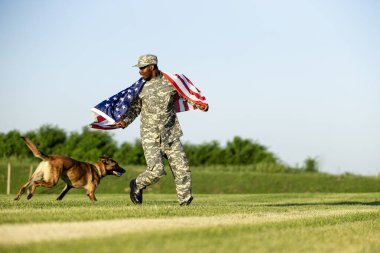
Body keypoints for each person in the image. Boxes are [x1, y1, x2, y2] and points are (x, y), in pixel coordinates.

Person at [115, 54, 208, 206]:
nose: (140, 71)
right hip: (150, 136)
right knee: (156, 171)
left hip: (171, 134)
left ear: (152, 66)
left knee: (182, 169)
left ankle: (185, 202)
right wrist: (125, 121)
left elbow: (186, 95)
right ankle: (137, 184)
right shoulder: (140, 87)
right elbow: (135, 109)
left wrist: (200, 104)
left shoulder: (171, 82)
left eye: (142, 68)